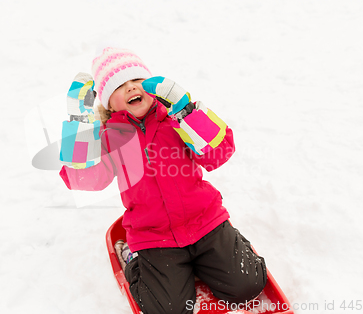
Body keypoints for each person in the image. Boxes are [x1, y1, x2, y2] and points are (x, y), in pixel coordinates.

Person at [59, 47, 267, 314]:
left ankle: (228, 247)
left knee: (248, 286)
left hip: (205, 222)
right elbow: (84, 180)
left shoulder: (176, 120)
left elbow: (220, 152)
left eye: (137, 80)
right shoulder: (109, 137)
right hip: (154, 236)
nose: (132, 88)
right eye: (120, 86)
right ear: (110, 103)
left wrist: (187, 111)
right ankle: (135, 262)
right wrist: (80, 127)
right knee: (167, 310)